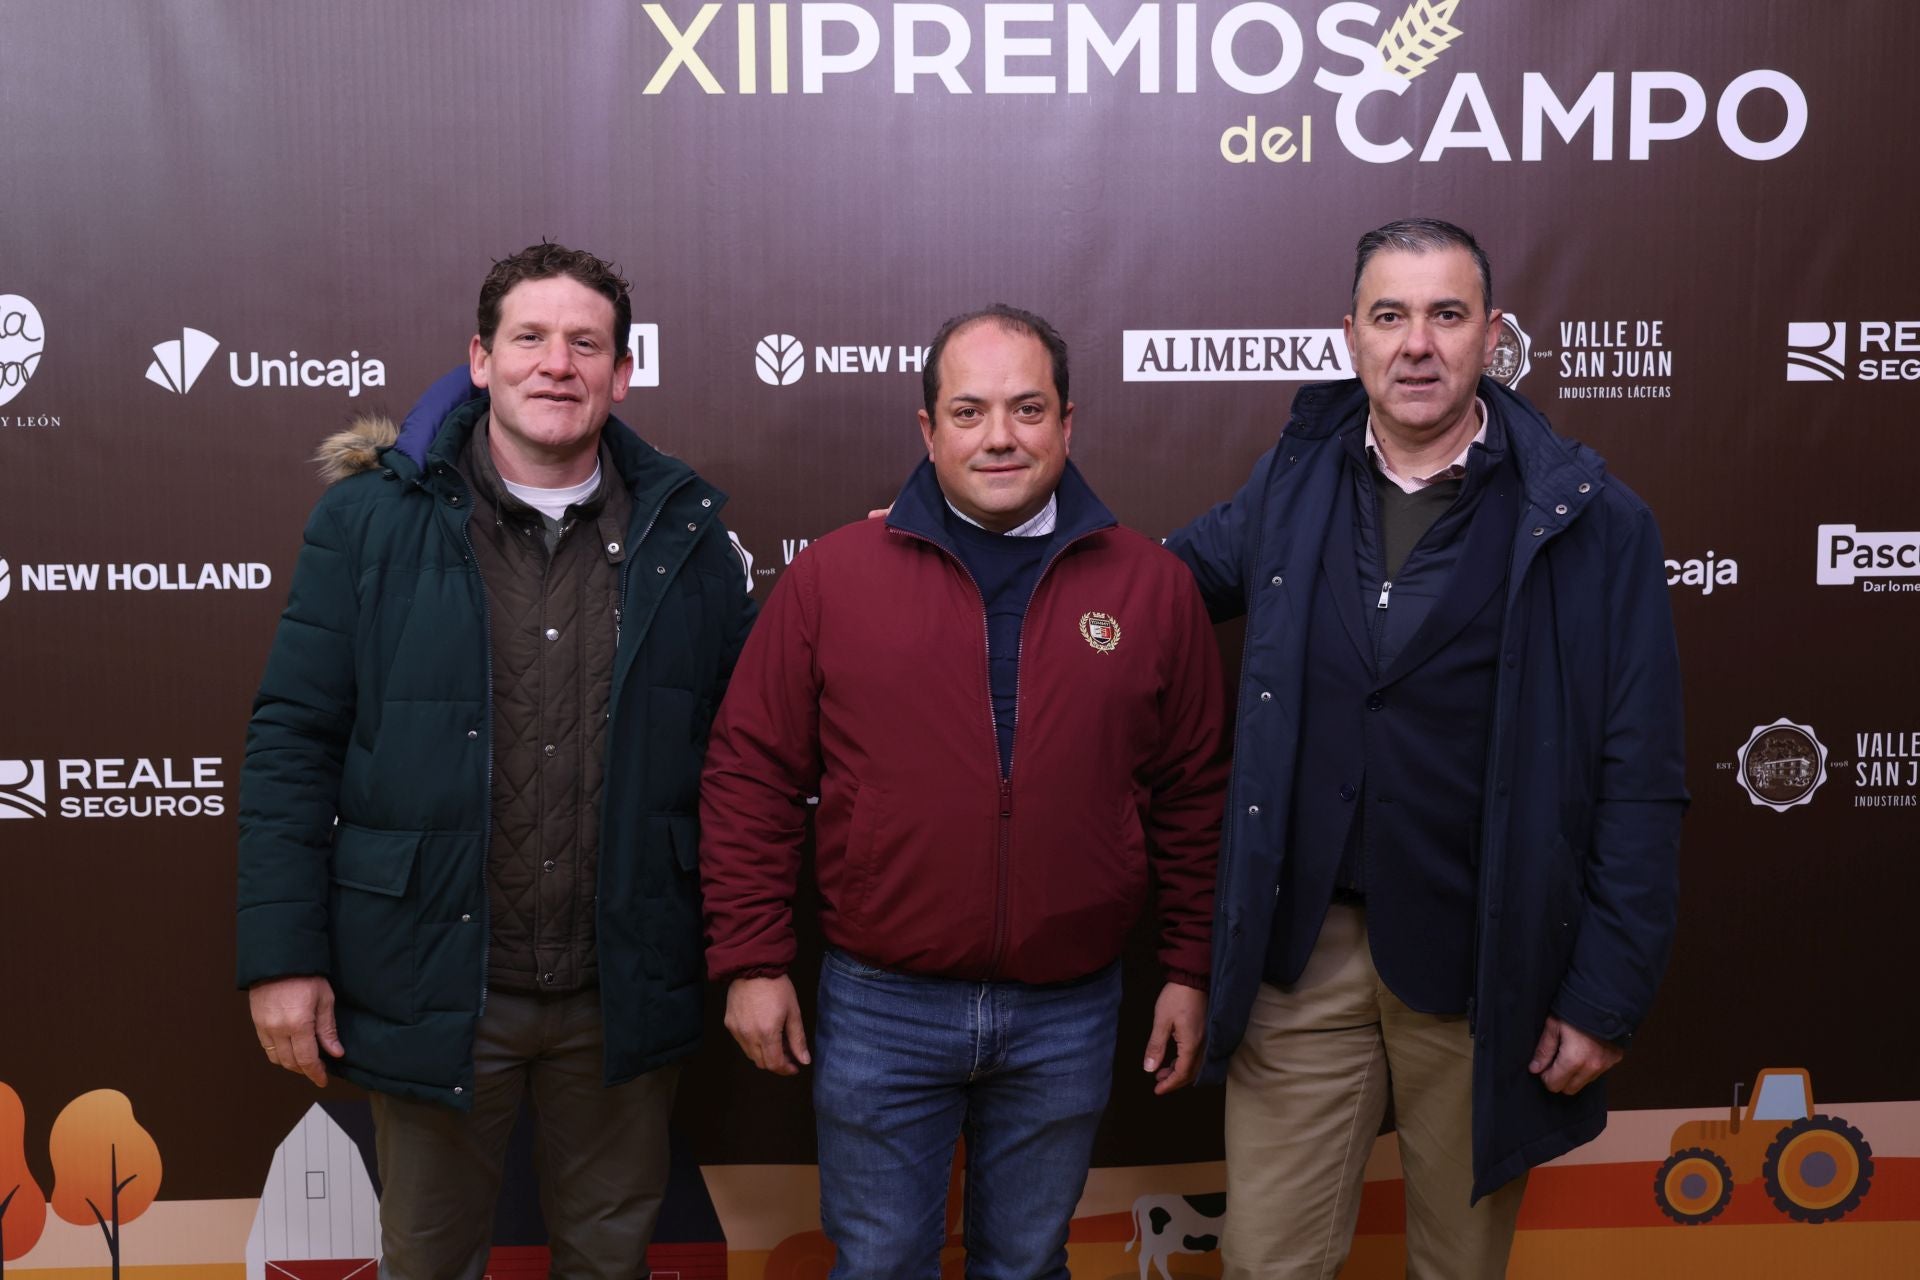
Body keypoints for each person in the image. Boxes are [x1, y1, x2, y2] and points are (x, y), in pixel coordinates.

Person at [1166, 219, 1686, 1279]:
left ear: (1493, 335)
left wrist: (1603, 995)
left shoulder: (1591, 519)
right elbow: (1152, 590)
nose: (1418, 344)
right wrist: (982, 544)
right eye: (1391, 315)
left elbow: (1641, 777)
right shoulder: (1294, 477)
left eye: (1446, 315)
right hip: (1299, 958)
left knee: (1459, 1265)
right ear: (1349, 334)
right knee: (1267, 1262)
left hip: (1483, 966)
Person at [237, 242, 753, 1279]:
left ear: (622, 370)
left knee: (609, 1262)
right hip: (432, 979)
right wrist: (282, 954)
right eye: (530, 338)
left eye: (586, 343)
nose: (557, 363)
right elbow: (294, 739)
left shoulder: (685, 535)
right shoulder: (368, 521)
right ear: (480, 359)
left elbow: (741, 764)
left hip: (622, 982)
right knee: (428, 1263)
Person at [700, 305, 1228, 1278]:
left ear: (1069, 423)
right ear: (928, 428)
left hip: (1069, 1005)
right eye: (971, 409)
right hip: (881, 1002)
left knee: (1026, 1264)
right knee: (879, 1263)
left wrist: (1190, 967)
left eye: (1027, 408)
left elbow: (1196, 793)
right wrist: (752, 956)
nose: (999, 436)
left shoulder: (1153, 587)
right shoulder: (831, 577)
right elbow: (752, 771)